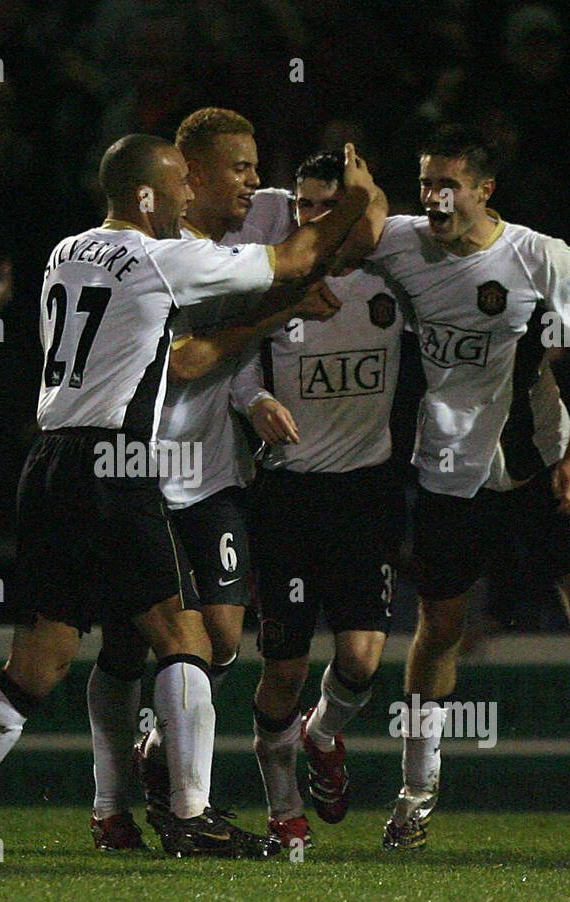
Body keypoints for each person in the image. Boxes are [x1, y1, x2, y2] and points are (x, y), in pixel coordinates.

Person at [0, 133, 375, 857]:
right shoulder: (163, 257)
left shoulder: (65, 252)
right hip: (112, 460)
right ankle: (190, 816)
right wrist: (358, 203)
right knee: (187, 641)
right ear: (147, 195)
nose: (189, 198)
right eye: (180, 186)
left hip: (47, 459)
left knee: (40, 660)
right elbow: (294, 260)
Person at [366, 124, 570, 852]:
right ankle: (415, 794)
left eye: (448, 184)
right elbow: (342, 225)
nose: (434, 198)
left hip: (541, 465)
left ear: (483, 189)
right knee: (438, 627)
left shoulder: (540, 256)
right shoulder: (399, 242)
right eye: (425, 183)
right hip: (448, 470)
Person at [85, 107, 338, 851]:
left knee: (223, 639)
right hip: (138, 474)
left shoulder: (226, 246)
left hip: (211, 475)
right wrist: (283, 303)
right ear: (189, 177)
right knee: (134, 647)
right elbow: (184, 361)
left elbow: (224, 365)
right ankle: (117, 805)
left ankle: (162, 756)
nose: (255, 182)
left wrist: (255, 397)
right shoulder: (154, 259)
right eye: (240, 168)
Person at [230, 150, 410, 847]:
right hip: (290, 497)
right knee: (284, 667)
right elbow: (235, 368)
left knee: (362, 663)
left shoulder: (392, 285)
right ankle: (283, 811)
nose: (307, 219)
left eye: (323, 207)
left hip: (367, 493)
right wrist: (258, 401)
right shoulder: (279, 287)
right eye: (300, 206)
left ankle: (323, 734)